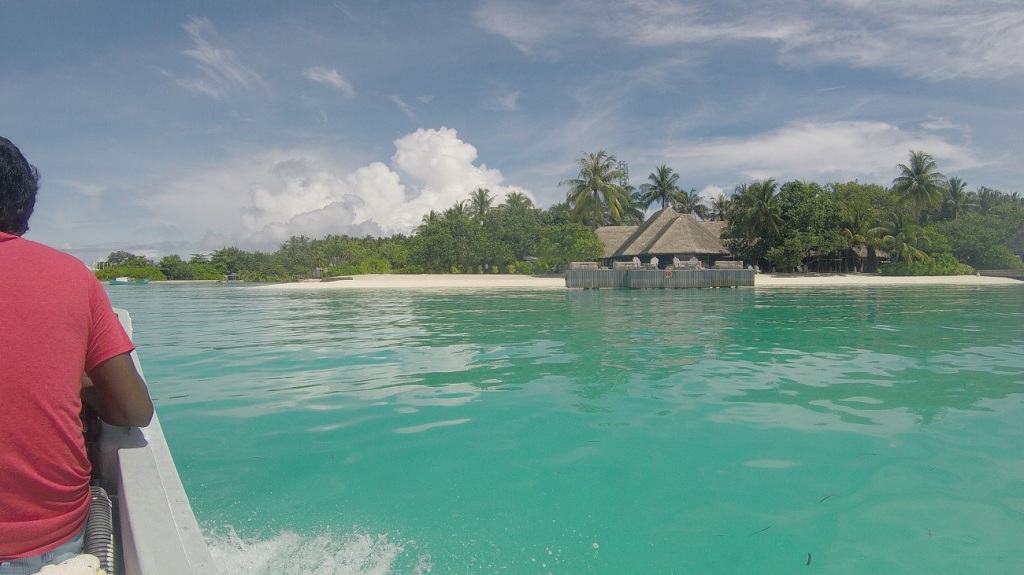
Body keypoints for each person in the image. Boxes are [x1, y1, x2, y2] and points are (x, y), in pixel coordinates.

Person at [0, 136, 154, 572]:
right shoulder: (70, 275)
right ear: (23, 210)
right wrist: (79, 380)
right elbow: (133, 409)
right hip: (43, 540)